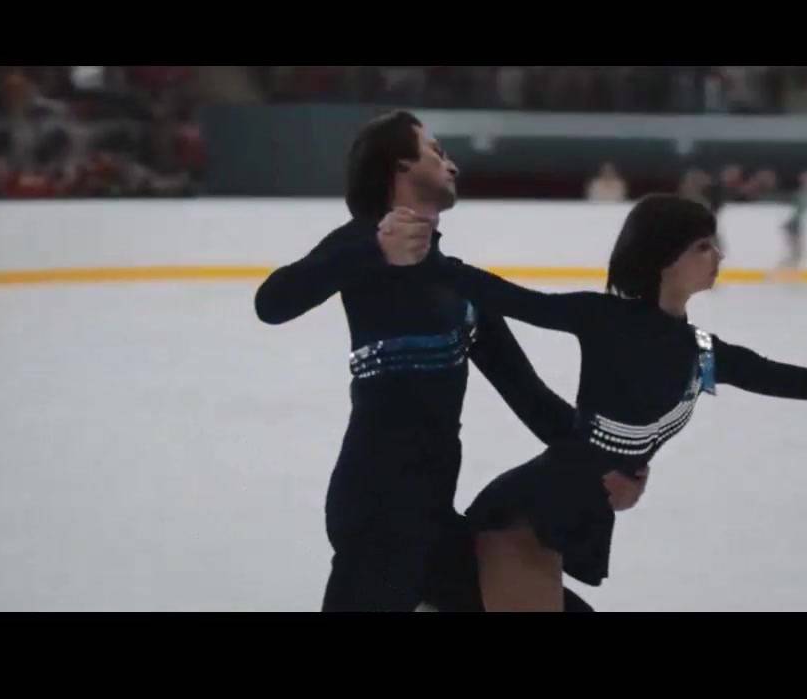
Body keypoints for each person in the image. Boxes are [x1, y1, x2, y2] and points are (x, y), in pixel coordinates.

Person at [401, 194, 807, 610]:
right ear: (665, 258)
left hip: (576, 514)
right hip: (528, 513)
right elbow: (507, 297)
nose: (718, 256)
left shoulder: (704, 353)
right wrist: (422, 254)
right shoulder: (602, 318)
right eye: (703, 246)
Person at [254, 110, 646, 612]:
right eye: (436, 152)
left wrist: (615, 455)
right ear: (399, 166)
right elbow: (273, 303)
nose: (452, 165)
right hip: (377, 514)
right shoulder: (362, 244)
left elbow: (529, 397)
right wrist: (374, 248)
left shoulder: (461, 289)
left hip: (432, 523)